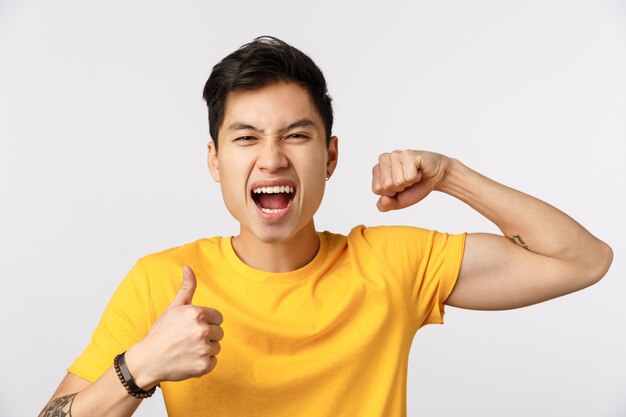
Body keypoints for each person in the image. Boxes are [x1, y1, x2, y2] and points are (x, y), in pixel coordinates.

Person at [38, 36, 613, 417]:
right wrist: (138, 368)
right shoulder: (162, 281)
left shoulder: (391, 264)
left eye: (296, 134)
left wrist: (451, 175)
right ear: (215, 161)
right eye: (245, 138)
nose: (272, 158)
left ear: (330, 156)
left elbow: (582, 260)